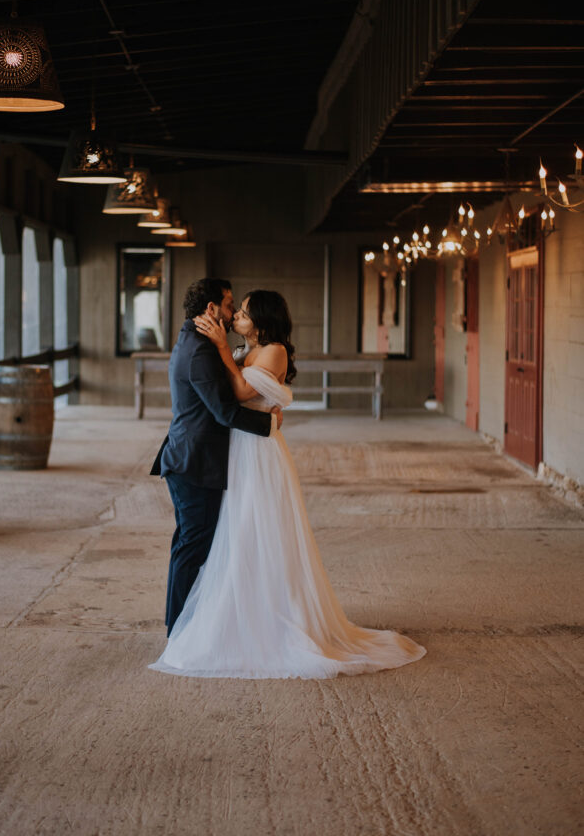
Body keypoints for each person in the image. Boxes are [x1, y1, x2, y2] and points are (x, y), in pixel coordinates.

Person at [149, 289, 426, 678]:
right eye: (236, 310)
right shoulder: (243, 349)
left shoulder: (273, 350)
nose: (236, 319)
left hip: (260, 455)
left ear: (261, 320)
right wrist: (231, 359)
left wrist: (223, 352)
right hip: (242, 449)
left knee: (261, 533)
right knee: (240, 534)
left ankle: (276, 621)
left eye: (243, 313)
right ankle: (237, 616)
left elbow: (243, 391)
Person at [150, 278, 283, 635]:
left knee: (193, 544)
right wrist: (270, 424)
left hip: (198, 459)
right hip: (194, 462)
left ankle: (184, 623)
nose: (232, 312)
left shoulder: (197, 341)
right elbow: (225, 412)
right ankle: (178, 630)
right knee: (192, 547)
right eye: (229, 306)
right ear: (211, 309)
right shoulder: (201, 351)